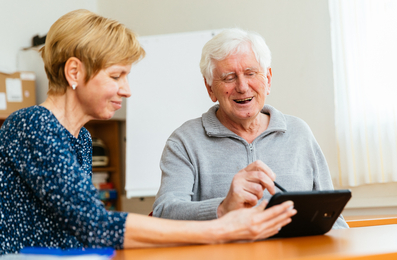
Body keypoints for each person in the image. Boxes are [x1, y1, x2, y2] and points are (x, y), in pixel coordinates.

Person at [0, 10, 297, 255]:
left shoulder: (81, 139)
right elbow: (95, 225)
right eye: (116, 76)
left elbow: (82, 227)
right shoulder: (31, 125)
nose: (126, 90)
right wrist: (222, 227)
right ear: (74, 72)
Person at [152, 28, 348, 229]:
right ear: (210, 88)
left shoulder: (299, 133)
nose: (243, 87)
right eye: (229, 77)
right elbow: (163, 214)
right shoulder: (184, 141)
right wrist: (222, 208)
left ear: (268, 80)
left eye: (250, 73)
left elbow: (333, 218)